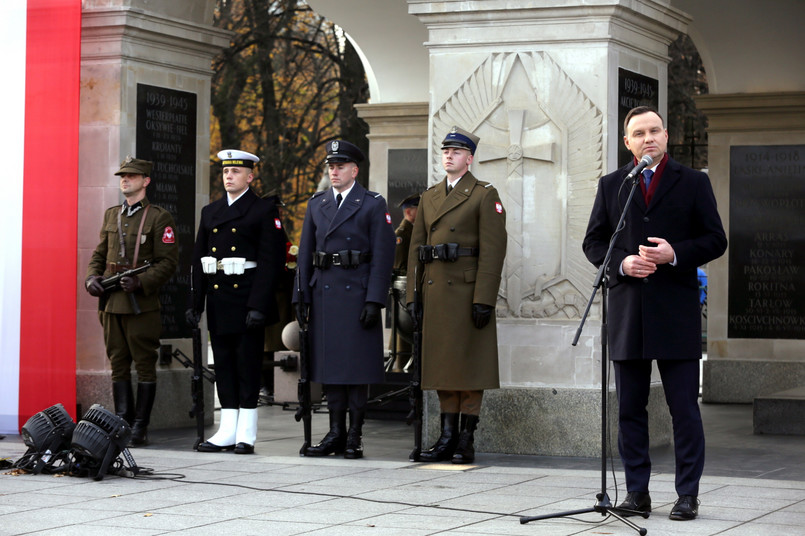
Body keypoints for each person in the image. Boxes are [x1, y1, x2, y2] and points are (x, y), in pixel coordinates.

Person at [582, 106, 727, 521]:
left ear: (667, 136)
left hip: (675, 312)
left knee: (684, 408)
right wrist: (623, 264)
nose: (648, 138)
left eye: (655, 130)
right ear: (627, 142)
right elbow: (594, 242)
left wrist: (675, 254)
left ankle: (687, 495)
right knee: (630, 407)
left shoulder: (693, 182)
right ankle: (636, 493)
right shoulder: (613, 184)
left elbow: (716, 239)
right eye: (639, 133)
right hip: (629, 312)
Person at [405, 126, 507, 464]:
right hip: (435, 293)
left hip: (466, 293)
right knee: (443, 367)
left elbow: (493, 251)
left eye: (457, 152)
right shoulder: (429, 196)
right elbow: (415, 250)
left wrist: (485, 298)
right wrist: (413, 296)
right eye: (446, 151)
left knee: (469, 367)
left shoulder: (483, 194)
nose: (449, 156)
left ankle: (466, 439)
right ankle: (446, 437)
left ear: (469, 158)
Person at [293, 139, 396, 459]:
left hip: (357, 293)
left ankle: (354, 435)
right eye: (331, 167)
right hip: (325, 291)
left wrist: (374, 300)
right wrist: (302, 295)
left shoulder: (372, 203)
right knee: (330, 369)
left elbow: (383, 255)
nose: (334, 171)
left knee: (357, 370)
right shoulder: (317, 203)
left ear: (354, 169)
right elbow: (305, 253)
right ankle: (335, 432)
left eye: (340, 166)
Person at [186, 149, 286, 454]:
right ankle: (226, 430)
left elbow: (271, 262)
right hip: (220, 299)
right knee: (225, 365)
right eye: (225, 172)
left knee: (247, 365)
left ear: (250, 176)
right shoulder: (210, 211)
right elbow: (199, 260)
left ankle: (246, 432)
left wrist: (258, 305)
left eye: (236, 172)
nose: (228, 177)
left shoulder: (262, 210)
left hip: (246, 299)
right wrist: (195, 303)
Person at [85, 156, 178, 447]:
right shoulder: (112, 215)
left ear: (145, 181)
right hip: (112, 303)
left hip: (141, 305)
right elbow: (99, 255)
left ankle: (140, 426)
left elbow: (167, 262)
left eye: (132, 176)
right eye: (122, 176)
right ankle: (122, 423)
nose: (125, 180)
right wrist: (91, 279)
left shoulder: (159, 217)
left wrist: (141, 281)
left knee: (145, 365)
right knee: (118, 365)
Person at [389, 192, 420, 372]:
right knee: (403, 338)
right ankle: (400, 367)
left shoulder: (413, 231)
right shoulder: (402, 234)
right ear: (409, 212)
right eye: (418, 208)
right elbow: (399, 264)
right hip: (404, 287)